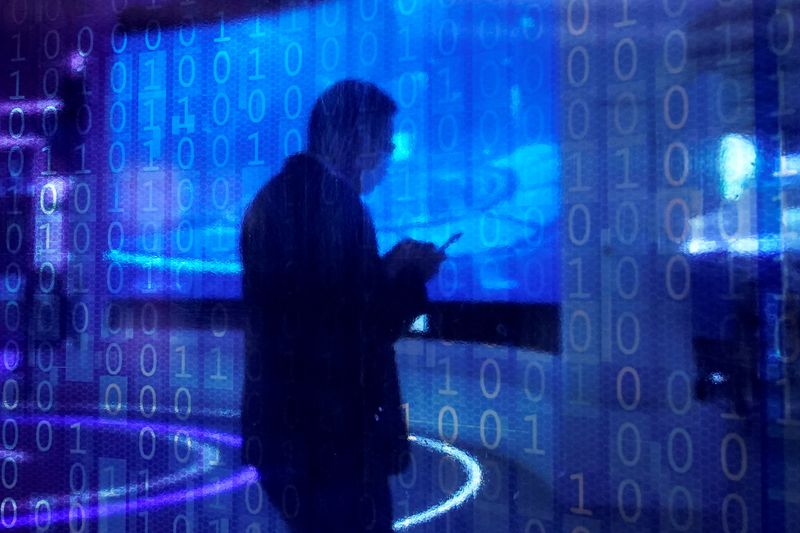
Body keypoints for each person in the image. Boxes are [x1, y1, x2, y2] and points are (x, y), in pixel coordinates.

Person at [239, 79, 445, 532]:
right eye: (383, 141)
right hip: (335, 440)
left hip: (285, 432)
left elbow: (320, 303)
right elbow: (362, 328)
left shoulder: (274, 198)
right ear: (352, 137)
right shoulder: (339, 207)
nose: (387, 156)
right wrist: (413, 276)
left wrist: (382, 269)